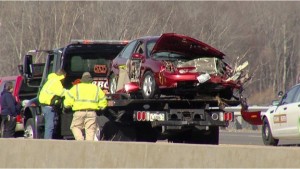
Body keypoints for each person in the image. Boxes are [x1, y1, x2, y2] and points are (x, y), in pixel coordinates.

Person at [64, 72, 107, 141]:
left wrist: (66, 107)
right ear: (90, 80)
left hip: (79, 112)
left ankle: (80, 141)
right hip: (92, 113)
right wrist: (101, 108)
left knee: (75, 127)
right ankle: (88, 148)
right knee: (90, 131)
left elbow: (68, 100)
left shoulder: (76, 88)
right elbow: (103, 100)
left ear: (82, 80)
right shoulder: (96, 88)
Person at [38, 69, 66, 139]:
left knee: (49, 125)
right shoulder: (56, 82)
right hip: (48, 106)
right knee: (50, 126)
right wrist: (72, 93)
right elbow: (61, 92)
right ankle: (48, 142)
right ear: (62, 76)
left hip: (44, 105)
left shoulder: (51, 80)